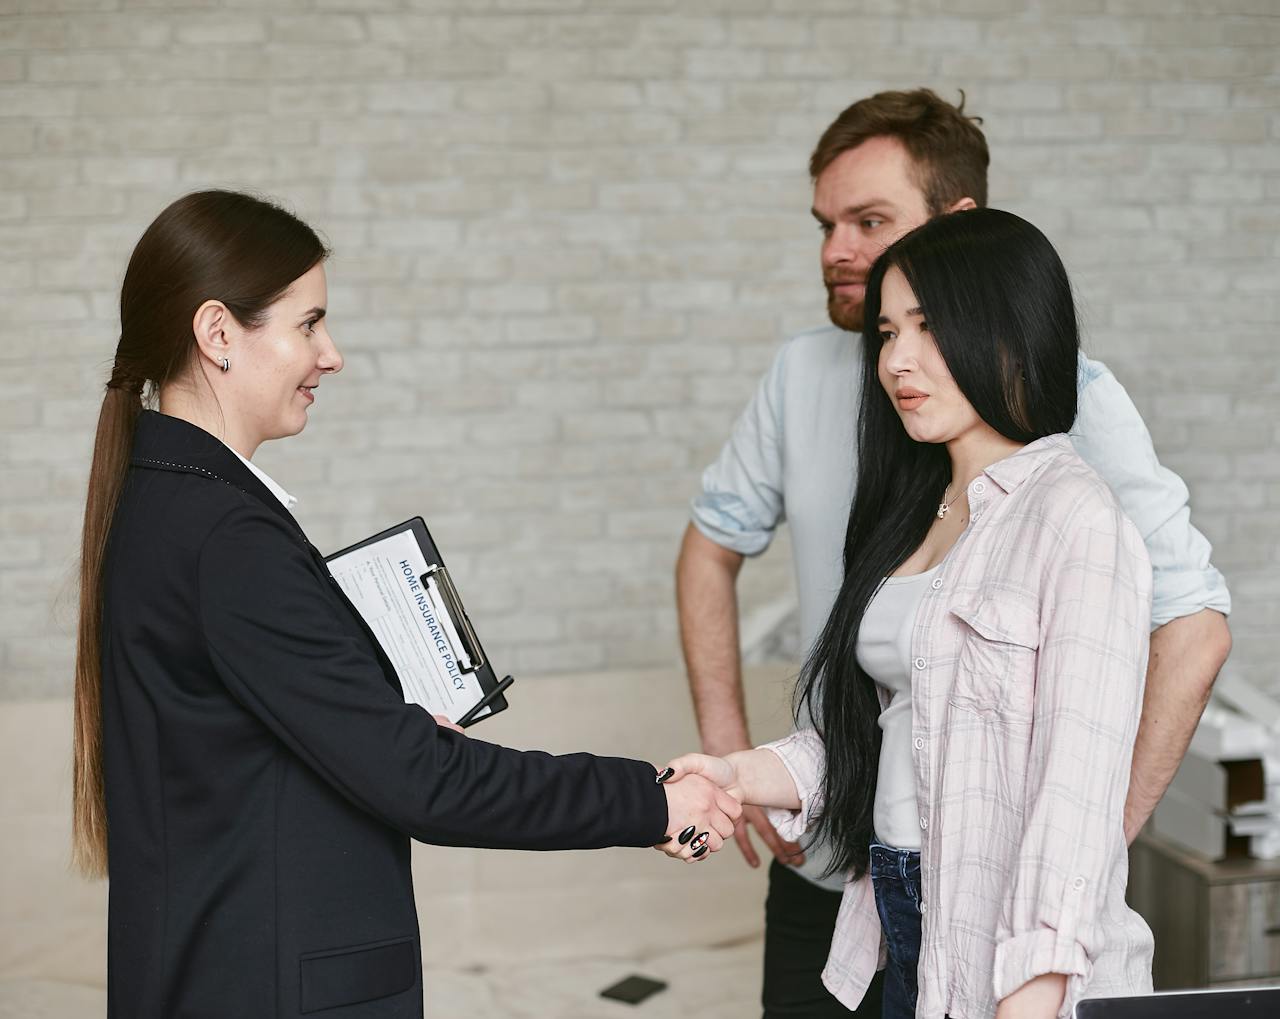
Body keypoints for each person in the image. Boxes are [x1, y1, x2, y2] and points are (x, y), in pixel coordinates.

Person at [72, 190, 740, 1019]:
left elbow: (258, 747)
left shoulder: (162, 500)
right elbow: (421, 784)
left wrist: (379, 724)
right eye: (308, 324)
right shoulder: (225, 536)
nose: (332, 354)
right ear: (217, 335)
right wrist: (650, 799)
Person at [676, 88, 1231, 1018]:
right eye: (890, 333)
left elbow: (1074, 770)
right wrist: (738, 770)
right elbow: (903, 719)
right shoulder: (918, 492)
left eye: (871, 222)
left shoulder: (1073, 503)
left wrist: (1072, 874)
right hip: (879, 893)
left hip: (1000, 922)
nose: (895, 361)